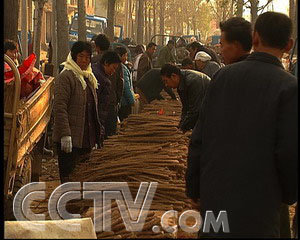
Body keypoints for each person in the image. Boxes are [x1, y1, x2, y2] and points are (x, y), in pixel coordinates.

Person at [186, 12, 297, 238]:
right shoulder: (289, 87)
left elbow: (199, 138)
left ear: (255, 38)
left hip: (216, 198)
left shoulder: (222, 77)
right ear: (289, 45)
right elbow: (289, 151)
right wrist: (287, 195)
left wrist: (195, 188)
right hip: (260, 206)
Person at [52, 41, 103, 183]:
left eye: (88, 57)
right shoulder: (66, 77)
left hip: (86, 138)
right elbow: (60, 107)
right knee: (69, 178)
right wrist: (65, 134)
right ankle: (68, 204)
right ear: (74, 57)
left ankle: (79, 205)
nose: (84, 60)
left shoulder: (88, 77)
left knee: (83, 177)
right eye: (81, 56)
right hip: (70, 140)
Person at [160, 64, 210, 133]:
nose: (166, 85)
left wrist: (183, 128)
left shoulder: (192, 81)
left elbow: (194, 110)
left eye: (166, 81)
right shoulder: (181, 83)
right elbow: (186, 108)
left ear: (173, 76)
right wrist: (181, 125)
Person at [92, 51, 122, 136]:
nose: (114, 71)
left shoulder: (101, 74)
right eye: (113, 67)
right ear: (106, 63)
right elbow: (96, 103)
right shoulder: (98, 76)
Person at [115, 46, 136, 121]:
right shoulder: (122, 68)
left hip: (120, 102)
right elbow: (126, 87)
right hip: (124, 103)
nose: (126, 58)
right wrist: (132, 101)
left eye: (126, 55)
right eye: (124, 55)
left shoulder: (119, 67)